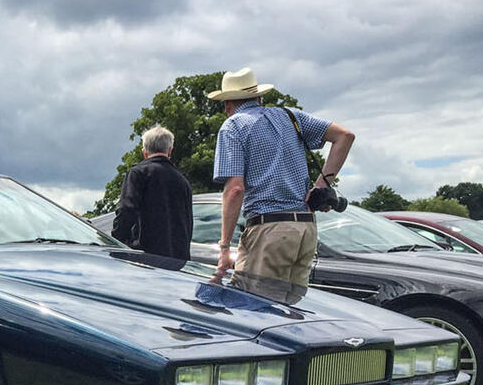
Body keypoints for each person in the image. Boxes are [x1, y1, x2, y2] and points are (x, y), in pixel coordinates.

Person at [209, 67, 355, 289]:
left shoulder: (233, 126)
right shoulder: (289, 115)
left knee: (255, 309)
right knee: (291, 312)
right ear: (259, 97)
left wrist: (224, 247)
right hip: (305, 230)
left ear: (227, 104)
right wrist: (321, 186)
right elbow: (345, 136)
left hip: (268, 229)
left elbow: (235, 190)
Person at [111, 125, 193, 260]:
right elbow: (187, 223)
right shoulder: (183, 181)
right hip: (177, 259)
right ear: (170, 150)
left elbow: (126, 210)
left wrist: (115, 242)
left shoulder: (138, 173)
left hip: (144, 256)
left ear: (144, 152)